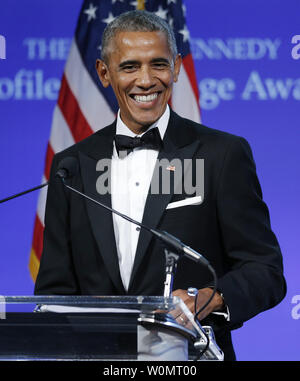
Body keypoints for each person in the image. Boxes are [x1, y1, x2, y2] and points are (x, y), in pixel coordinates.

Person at [34, 10, 286, 360]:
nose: (146, 80)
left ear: (177, 68)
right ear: (104, 73)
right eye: (130, 67)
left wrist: (212, 297)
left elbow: (265, 271)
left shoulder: (222, 154)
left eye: (158, 64)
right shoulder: (71, 166)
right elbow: (54, 293)